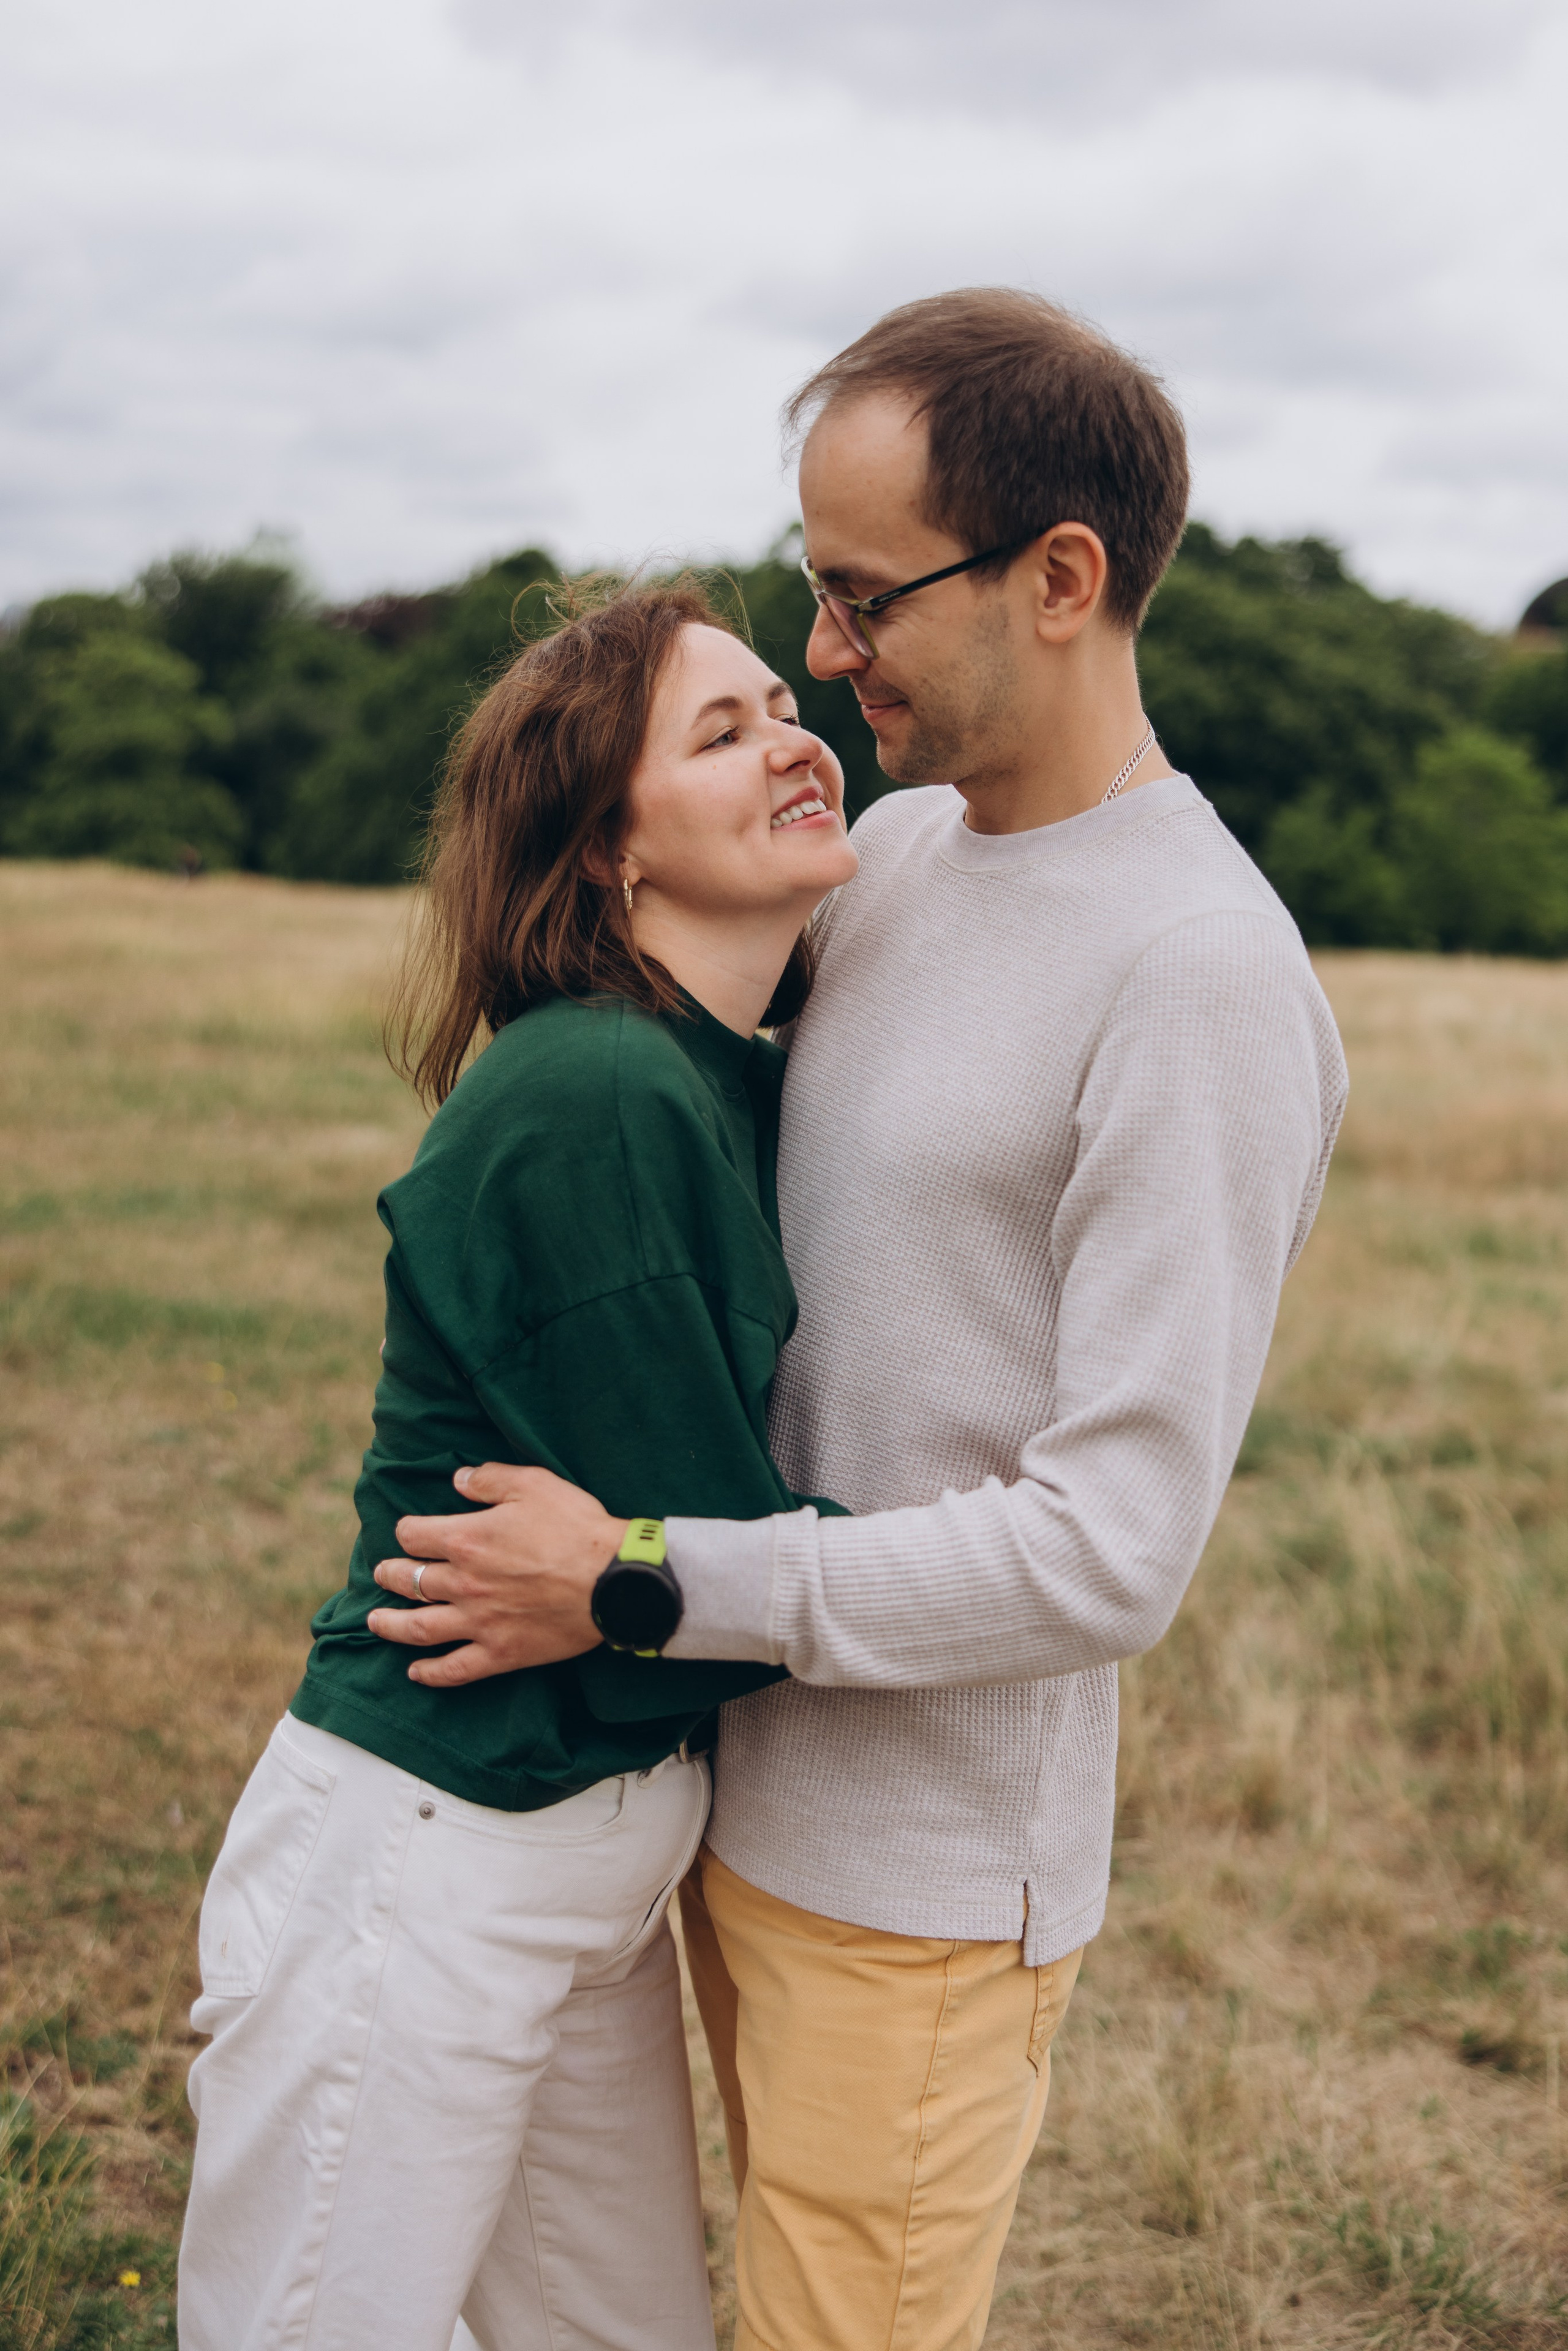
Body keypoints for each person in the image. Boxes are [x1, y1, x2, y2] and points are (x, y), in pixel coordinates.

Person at [369, 290, 1351, 2351]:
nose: (824, 653)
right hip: (713, 1801)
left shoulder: (1201, 975)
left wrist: (641, 1585)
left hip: (912, 1884)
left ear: (1062, 580)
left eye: (860, 595)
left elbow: (1111, 1551)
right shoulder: (889, 862)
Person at [177, 579, 859, 2351]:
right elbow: (733, 1563)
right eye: (720, 731)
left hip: (583, 1868)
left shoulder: (723, 1073)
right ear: (609, 851)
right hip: (432, 1859)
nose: (794, 738)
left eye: (781, 700)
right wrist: (1011, 1559)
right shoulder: (600, 1096)